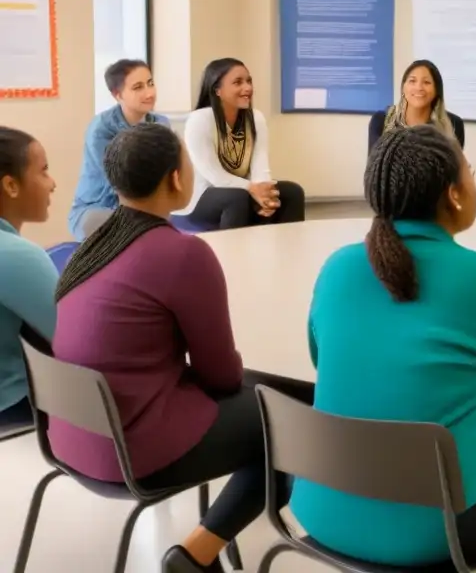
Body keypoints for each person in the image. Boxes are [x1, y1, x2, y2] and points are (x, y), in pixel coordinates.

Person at [291, 125, 476, 567]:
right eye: (468, 169)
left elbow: (321, 358)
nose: (472, 176)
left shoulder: (337, 268)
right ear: (453, 194)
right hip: (434, 532)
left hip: (323, 510)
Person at [47, 124, 314, 573]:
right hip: (132, 450)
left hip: (73, 435)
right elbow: (221, 376)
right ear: (175, 178)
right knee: (290, 417)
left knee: (266, 396)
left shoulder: (91, 245)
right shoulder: (182, 255)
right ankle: (197, 554)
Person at [175, 57, 305, 230]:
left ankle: (284, 251)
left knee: (292, 192)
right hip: (201, 196)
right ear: (217, 90)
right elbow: (213, 176)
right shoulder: (199, 120)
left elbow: (260, 166)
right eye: (238, 82)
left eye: (249, 81)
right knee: (236, 198)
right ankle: (233, 255)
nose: (248, 88)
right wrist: (252, 188)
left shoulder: (255, 117)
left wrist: (266, 195)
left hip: (242, 190)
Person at [69, 59, 169, 241]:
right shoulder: (101, 129)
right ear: (117, 95)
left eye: (150, 83)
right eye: (138, 87)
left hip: (145, 207)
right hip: (97, 208)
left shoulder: (161, 124)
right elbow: (119, 181)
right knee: (138, 232)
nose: (149, 93)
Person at [0, 127, 58, 429]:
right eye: (44, 171)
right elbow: (74, 340)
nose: (53, 184)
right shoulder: (17, 254)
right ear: (11, 185)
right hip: (10, 404)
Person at [367, 59, 465, 153]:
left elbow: (455, 167)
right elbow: (373, 167)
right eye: (412, 81)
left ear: (437, 90)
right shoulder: (381, 120)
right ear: (403, 87)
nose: (418, 88)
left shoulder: (454, 124)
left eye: (426, 82)